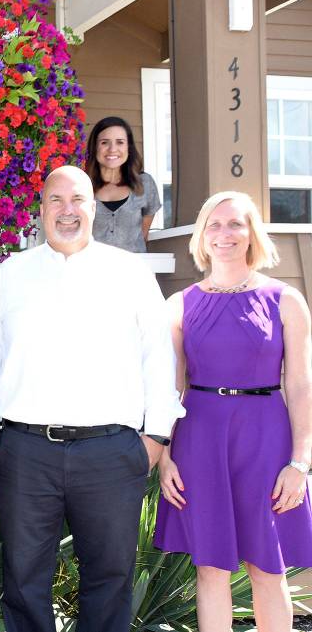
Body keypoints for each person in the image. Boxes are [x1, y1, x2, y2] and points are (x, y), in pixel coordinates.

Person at [0, 165, 182, 632]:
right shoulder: (12, 275)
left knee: (110, 580)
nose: (67, 211)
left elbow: (158, 359)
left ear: (93, 207)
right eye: (56, 200)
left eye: (77, 200)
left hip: (111, 452)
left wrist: (154, 438)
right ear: (41, 210)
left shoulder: (129, 274)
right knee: (24, 581)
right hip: (26, 452)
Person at [154, 191, 312, 632]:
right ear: (202, 236)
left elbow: (300, 386)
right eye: (214, 225)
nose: (225, 234)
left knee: (267, 565)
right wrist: (165, 456)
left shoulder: (286, 300)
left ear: (252, 233)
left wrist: (301, 462)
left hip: (266, 439)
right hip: (199, 439)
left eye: (235, 224)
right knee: (211, 568)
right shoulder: (179, 305)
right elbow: (170, 388)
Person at [84, 116, 161, 252]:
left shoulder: (144, 184)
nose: (112, 149)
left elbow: (143, 233)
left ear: (128, 148)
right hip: (91, 269)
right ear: (95, 147)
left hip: (134, 268)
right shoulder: (82, 186)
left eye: (120, 142)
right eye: (104, 142)